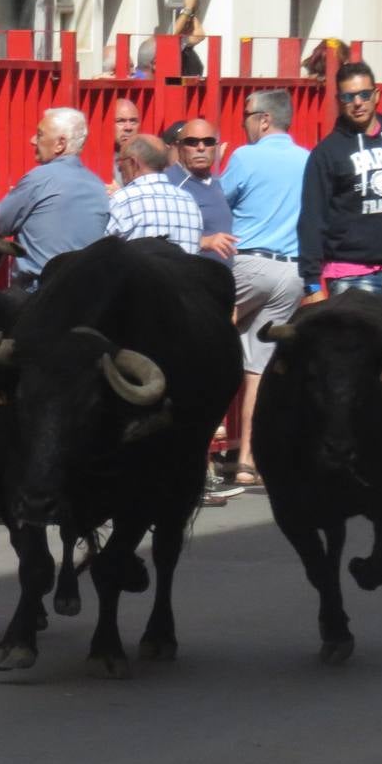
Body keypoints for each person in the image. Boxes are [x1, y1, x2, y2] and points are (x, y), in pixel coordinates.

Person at [222, 89, 310, 489]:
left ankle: (204, 446)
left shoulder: (244, 156)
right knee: (258, 369)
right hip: (290, 272)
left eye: (245, 116)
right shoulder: (307, 160)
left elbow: (219, 200)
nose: (242, 123)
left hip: (248, 263)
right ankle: (247, 460)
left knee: (210, 338)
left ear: (263, 120)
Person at [299, 61, 382, 303]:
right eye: (349, 96)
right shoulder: (327, 153)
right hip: (350, 276)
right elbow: (311, 220)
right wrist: (312, 284)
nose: (358, 102)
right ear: (339, 100)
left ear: (376, 95)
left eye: (364, 94)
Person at [0, 107, 110, 288]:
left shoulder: (39, 179)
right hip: (86, 293)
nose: (33, 140)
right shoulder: (98, 186)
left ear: (60, 144)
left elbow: (0, 223)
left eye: (39, 135)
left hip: (39, 294)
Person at [109, 134, 207, 253]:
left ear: (133, 162)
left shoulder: (122, 200)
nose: (119, 168)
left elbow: (99, 251)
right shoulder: (189, 202)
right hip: (185, 271)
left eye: (120, 161)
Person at [164, 118, 239, 260]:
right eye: (192, 142)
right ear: (179, 147)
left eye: (208, 142)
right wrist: (203, 242)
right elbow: (155, 238)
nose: (201, 148)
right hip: (188, 276)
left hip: (222, 277)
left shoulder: (218, 183)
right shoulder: (169, 184)